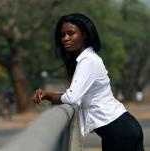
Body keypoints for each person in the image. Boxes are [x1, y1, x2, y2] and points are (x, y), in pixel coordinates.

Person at [33, 13, 144, 151]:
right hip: (122, 128)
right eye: (63, 35)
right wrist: (47, 94)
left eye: (71, 33)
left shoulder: (88, 61)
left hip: (119, 131)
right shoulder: (88, 59)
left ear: (84, 35)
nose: (65, 38)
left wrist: (48, 96)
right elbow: (76, 94)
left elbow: (72, 97)